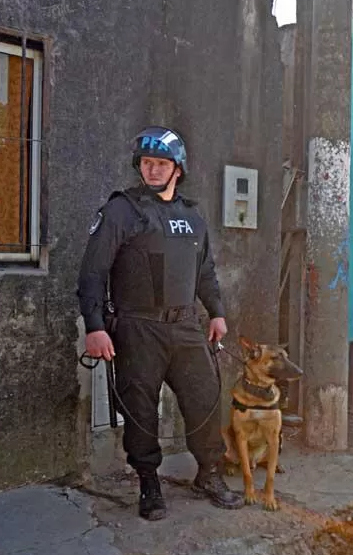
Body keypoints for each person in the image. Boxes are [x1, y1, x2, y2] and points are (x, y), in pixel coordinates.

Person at [77, 125, 243, 520]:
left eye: (161, 163)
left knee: (205, 398)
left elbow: (206, 272)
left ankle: (209, 473)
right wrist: (95, 325)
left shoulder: (192, 216)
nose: (153, 170)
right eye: (147, 163)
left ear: (177, 169)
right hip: (137, 328)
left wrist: (216, 311)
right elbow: (92, 272)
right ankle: (149, 483)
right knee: (141, 408)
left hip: (186, 326)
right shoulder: (121, 210)